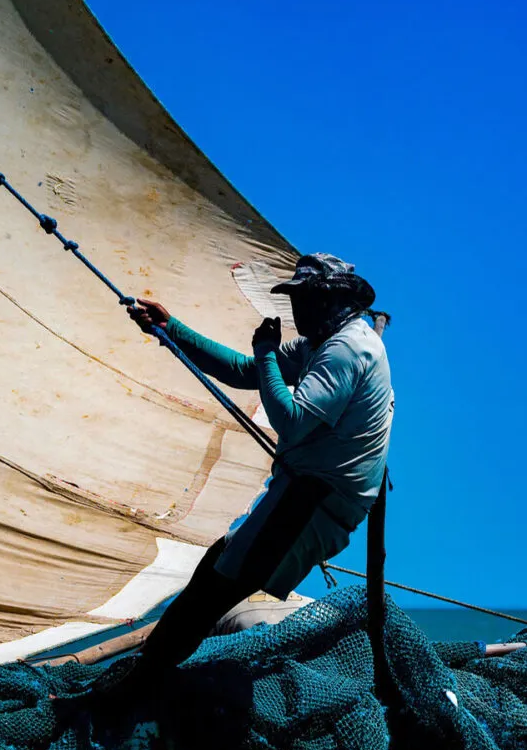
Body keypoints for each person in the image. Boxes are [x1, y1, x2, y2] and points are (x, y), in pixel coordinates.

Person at [99, 253, 394, 708]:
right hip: (302, 493)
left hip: (316, 501)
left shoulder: (349, 348)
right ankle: (139, 685)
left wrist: (266, 354)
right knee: (212, 575)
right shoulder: (323, 341)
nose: (296, 310)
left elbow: (292, 420)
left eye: (305, 298)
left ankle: (130, 696)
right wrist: (170, 329)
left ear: (331, 299)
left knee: (212, 591)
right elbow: (244, 372)